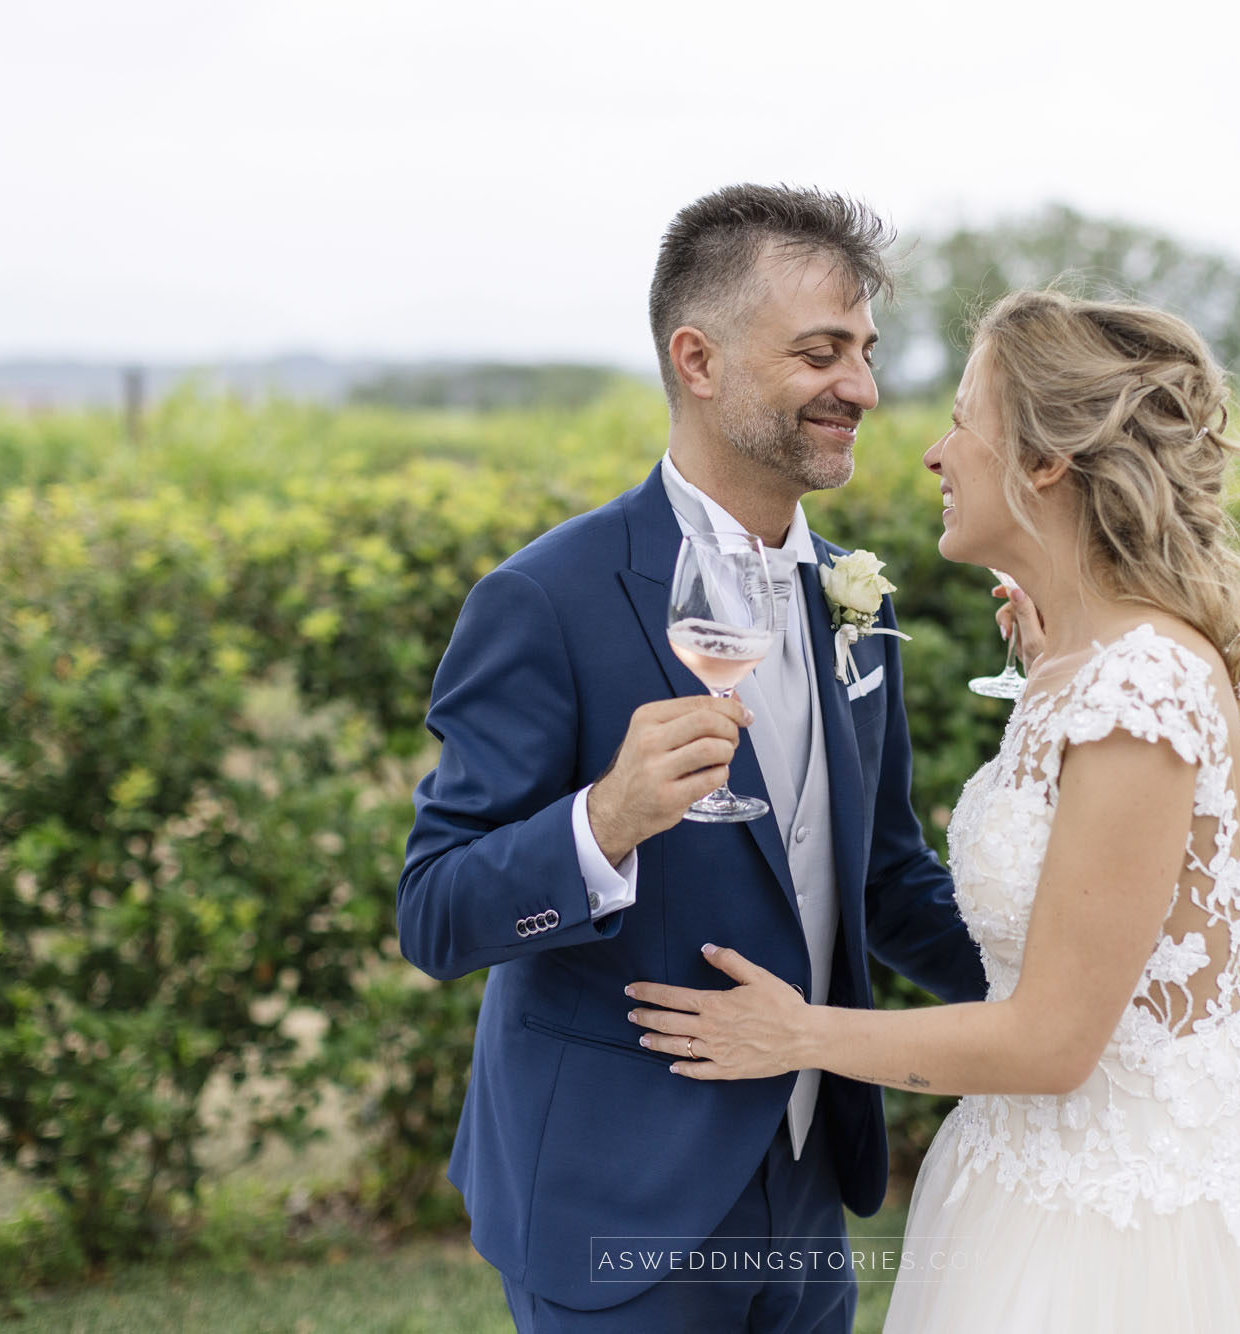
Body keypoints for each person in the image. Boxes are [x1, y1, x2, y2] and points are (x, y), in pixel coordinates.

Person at [626, 289, 1240, 1331]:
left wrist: (796, 1033)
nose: (932, 451)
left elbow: (1054, 1040)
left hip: (1123, 1231)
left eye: (965, 417)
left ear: (1046, 460)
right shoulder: (1088, 668)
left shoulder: (1139, 691)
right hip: (1022, 1177)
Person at [396, 183, 988, 1334]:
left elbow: (878, 875)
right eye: (820, 352)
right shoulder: (543, 599)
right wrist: (601, 820)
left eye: (863, 352)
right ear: (698, 359)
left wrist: (1060, 1007)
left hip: (812, 1180)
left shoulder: (849, 597)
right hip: (614, 1195)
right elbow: (434, 914)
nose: (859, 388)